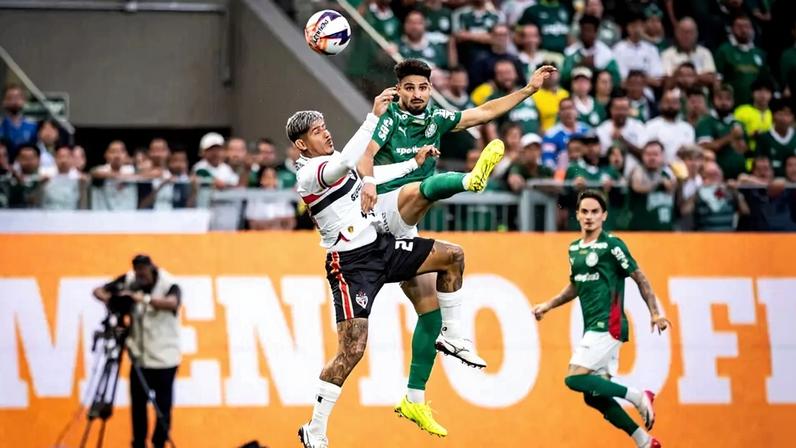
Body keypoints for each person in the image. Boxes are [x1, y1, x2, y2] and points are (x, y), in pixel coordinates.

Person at [358, 60, 556, 434]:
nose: (417, 94)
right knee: (421, 189)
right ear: (398, 90)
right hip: (379, 212)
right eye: (410, 88)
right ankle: (469, 180)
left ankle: (414, 397)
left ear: (430, 89)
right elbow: (367, 153)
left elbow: (483, 112)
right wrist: (368, 181)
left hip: (404, 229)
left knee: (431, 307)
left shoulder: (435, 119)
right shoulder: (391, 118)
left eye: (423, 88)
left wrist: (529, 90)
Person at [290, 93, 482, 447]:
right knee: (352, 350)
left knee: (453, 256)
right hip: (351, 265)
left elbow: (368, 171)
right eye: (318, 132)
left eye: (325, 127)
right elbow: (350, 162)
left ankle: (452, 335)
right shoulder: (310, 174)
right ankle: (314, 429)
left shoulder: (332, 161)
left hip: (382, 247)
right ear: (302, 144)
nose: (326, 134)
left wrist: (413, 164)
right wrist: (372, 119)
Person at [533, 189, 668, 448]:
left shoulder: (612, 245)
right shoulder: (574, 249)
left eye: (595, 212)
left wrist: (654, 313)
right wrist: (548, 305)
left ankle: (638, 397)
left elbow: (639, 276)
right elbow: (575, 286)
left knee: (574, 378)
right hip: (592, 328)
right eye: (584, 211)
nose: (589, 217)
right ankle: (644, 441)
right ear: (577, 215)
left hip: (609, 324)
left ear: (604, 215)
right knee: (593, 396)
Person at [92, 255, 181, 448]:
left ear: (151, 269)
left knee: (163, 408)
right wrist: (114, 299)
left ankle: (160, 443)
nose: (141, 278)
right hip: (140, 358)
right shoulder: (130, 279)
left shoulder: (169, 283)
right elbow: (98, 291)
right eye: (138, 274)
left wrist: (143, 299)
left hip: (165, 359)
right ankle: (139, 444)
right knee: (138, 408)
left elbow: (173, 302)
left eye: (144, 274)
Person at [696, 84, 748, 180]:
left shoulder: (738, 123)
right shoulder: (706, 122)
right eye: (720, 98)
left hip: (739, 176)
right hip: (714, 177)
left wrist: (739, 139)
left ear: (733, 101)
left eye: (728, 99)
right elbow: (704, 147)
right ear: (713, 100)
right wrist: (730, 137)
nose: (724, 102)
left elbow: (742, 150)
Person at [714, 14, 768, 105]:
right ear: (732, 29)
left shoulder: (759, 53)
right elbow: (717, 80)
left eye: (747, 26)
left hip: (754, 107)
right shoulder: (724, 50)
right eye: (739, 27)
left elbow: (764, 80)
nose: (743, 30)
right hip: (732, 104)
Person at [628, 141, 677, 231]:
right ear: (642, 156)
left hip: (666, 230)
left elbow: (674, 189)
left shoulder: (668, 173)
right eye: (648, 154)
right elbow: (638, 186)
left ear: (662, 156)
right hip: (641, 231)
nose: (652, 158)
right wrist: (659, 183)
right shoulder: (638, 170)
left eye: (655, 154)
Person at [561, 15, 622, 88]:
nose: (586, 34)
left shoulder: (606, 52)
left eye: (589, 30)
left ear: (595, 32)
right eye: (584, 30)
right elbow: (564, 77)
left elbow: (616, 79)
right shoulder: (571, 51)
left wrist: (595, 68)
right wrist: (579, 64)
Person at [660, 17, 717, 86]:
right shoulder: (667, 54)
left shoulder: (705, 53)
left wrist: (690, 77)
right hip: (676, 94)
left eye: (690, 32)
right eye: (683, 32)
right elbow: (666, 81)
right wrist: (697, 78)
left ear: (696, 34)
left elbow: (711, 78)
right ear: (676, 34)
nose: (687, 36)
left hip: (700, 93)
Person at [612, 12, 664, 86]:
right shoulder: (618, 49)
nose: (637, 30)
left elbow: (658, 81)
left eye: (640, 26)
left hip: (647, 91)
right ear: (628, 28)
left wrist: (643, 80)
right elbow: (620, 80)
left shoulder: (651, 49)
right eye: (634, 26)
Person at [644, 88, 695, 163]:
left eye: (674, 102)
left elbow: (691, 152)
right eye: (667, 102)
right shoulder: (651, 126)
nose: (671, 106)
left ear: (679, 105)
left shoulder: (687, 128)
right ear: (660, 104)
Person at [542, 98, 590, 169]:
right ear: (559, 113)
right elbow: (547, 160)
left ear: (576, 111)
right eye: (564, 109)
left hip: (587, 171)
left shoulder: (587, 130)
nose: (568, 112)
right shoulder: (551, 134)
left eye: (571, 108)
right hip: (563, 174)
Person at [756, 98, 796, 177]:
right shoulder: (764, 138)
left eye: (788, 115)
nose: (784, 118)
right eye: (780, 114)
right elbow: (758, 164)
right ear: (773, 116)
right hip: (770, 183)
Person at [0, 84, 38, 159]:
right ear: (4, 102)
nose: (14, 102)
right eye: (10, 98)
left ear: (24, 100)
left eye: (17, 98)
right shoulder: (1, 124)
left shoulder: (33, 125)